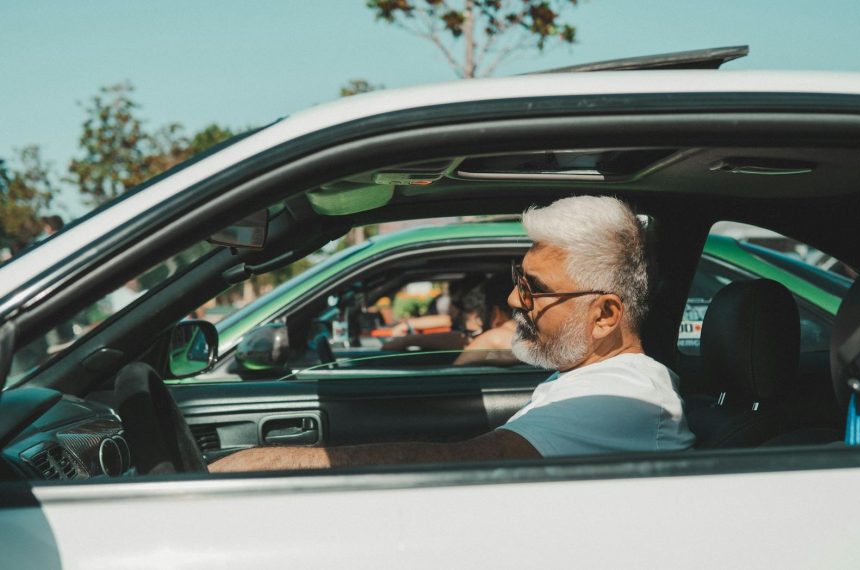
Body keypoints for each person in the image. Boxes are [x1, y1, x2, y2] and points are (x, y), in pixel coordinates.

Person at [209, 196, 694, 473]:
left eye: (534, 290)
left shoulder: (626, 395)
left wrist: (267, 465)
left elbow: (473, 462)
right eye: (518, 279)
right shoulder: (591, 376)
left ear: (605, 315)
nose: (511, 301)